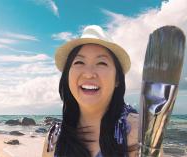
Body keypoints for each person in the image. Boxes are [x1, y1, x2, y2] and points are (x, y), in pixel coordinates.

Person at [42, 25, 140, 157]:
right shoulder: (54, 138)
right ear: (67, 76)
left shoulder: (137, 131)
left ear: (117, 79)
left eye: (101, 63)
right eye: (79, 62)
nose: (88, 74)